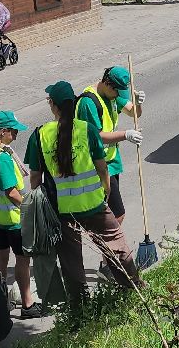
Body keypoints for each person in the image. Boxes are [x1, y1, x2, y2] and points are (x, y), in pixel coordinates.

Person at [27, 80, 139, 306]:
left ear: (53, 105)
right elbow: (102, 167)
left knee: (71, 264)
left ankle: (80, 308)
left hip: (63, 212)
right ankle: (133, 292)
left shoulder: (39, 135)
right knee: (117, 248)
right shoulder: (86, 130)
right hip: (94, 205)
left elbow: (35, 180)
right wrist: (106, 192)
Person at [0, 110, 46, 319]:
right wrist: (30, 206)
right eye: (13, 132)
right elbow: (11, 192)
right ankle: (27, 304)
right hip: (12, 219)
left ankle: (1, 299)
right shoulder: (2, 159)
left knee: (1, 257)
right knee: (23, 261)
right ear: (3, 131)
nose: (16, 136)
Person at [77, 66, 145, 227]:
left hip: (111, 162)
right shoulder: (89, 102)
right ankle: (110, 248)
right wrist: (126, 135)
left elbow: (134, 112)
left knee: (112, 215)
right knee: (115, 216)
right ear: (108, 84)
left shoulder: (112, 95)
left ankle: (111, 248)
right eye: (117, 92)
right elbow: (96, 137)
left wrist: (138, 103)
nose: (118, 97)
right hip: (97, 165)